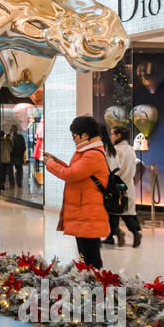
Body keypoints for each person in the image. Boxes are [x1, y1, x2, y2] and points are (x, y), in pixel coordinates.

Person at [43, 115, 114, 268]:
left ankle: (96, 287)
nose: (73, 138)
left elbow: (70, 175)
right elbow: (73, 170)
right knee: (84, 256)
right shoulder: (85, 152)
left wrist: (49, 164)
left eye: (74, 135)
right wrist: (55, 161)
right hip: (83, 212)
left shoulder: (93, 154)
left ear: (85, 135)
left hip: (89, 213)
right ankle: (89, 286)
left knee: (92, 258)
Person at [103, 127, 141, 247]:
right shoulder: (131, 149)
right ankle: (115, 236)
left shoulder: (114, 150)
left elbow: (111, 169)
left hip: (117, 186)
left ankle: (131, 234)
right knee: (127, 213)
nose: (111, 136)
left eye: (113, 133)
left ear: (119, 135)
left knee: (113, 211)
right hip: (128, 185)